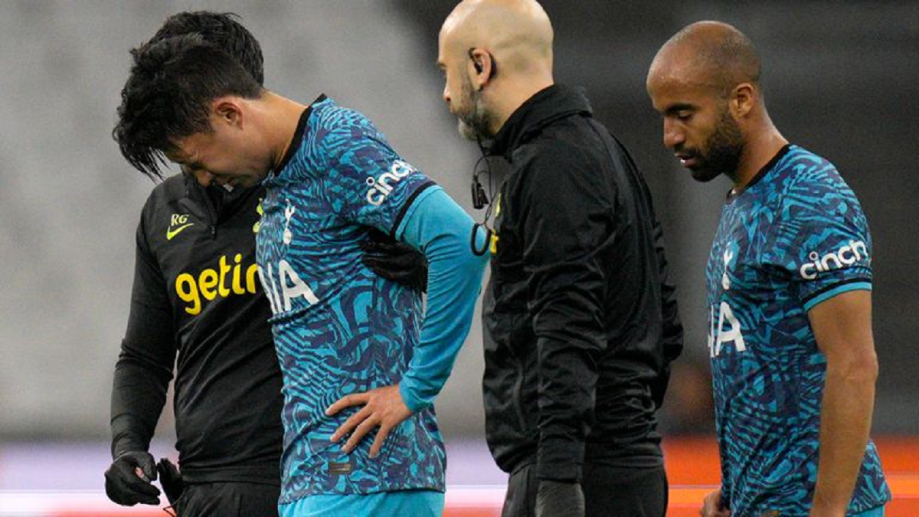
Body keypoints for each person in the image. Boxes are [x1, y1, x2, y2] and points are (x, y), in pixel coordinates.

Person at [112, 17, 489, 517]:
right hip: (296, 476)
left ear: (229, 107)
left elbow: (461, 243)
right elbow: (144, 353)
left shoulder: (333, 146)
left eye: (198, 160)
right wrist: (128, 442)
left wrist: (416, 387)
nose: (200, 177)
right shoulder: (277, 178)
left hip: (363, 473)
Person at [437, 1, 683, 516]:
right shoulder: (602, 149)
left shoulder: (552, 164)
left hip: (577, 476)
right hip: (614, 464)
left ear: (480, 65)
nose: (446, 93)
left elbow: (567, 324)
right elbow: (664, 317)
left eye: (448, 72)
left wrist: (558, 478)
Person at [646, 21, 891, 517]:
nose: (670, 136)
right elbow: (760, 366)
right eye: (664, 117)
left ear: (741, 100)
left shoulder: (809, 196)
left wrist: (827, 512)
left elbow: (854, 364)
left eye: (683, 114)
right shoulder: (744, 200)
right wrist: (737, 489)